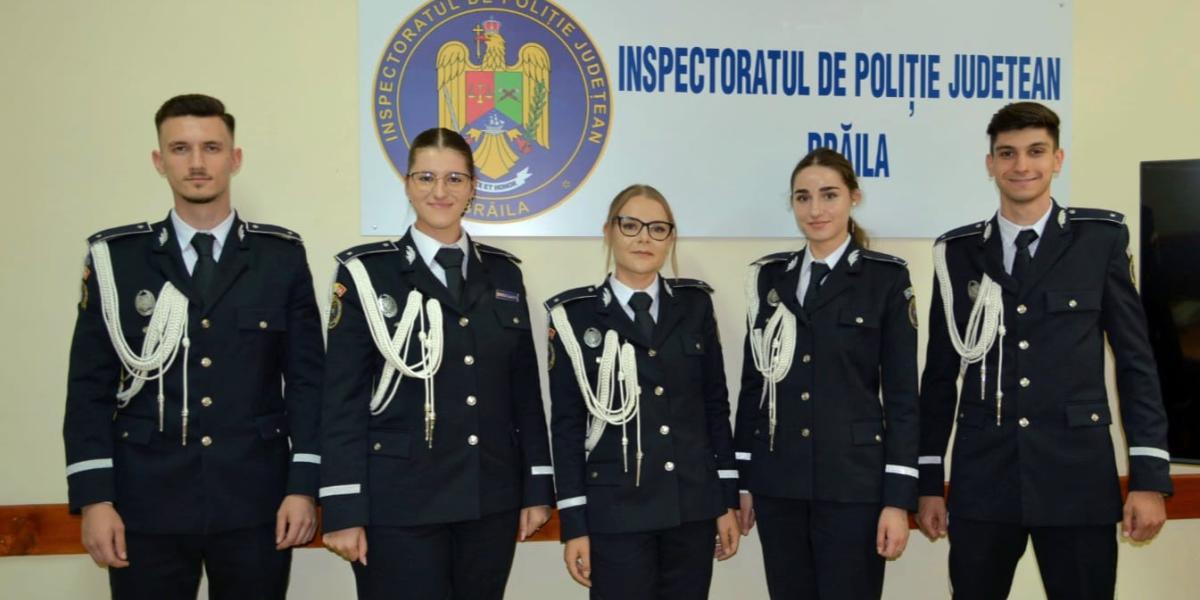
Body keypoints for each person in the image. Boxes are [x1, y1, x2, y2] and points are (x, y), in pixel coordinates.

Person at [63, 94, 324, 600]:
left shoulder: (280, 258)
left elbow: (308, 383)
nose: (197, 162)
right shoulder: (118, 261)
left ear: (235, 158)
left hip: (255, 503)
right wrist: (95, 499)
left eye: (212, 147)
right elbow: (88, 388)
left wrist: (302, 486)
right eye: (180, 148)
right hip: (144, 504)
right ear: (159, 161)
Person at [916, 101, 1172, 600]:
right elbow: (940, 376)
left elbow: (1136, 364)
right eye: (1007, 153)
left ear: (1058, 159)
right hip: (983, 482)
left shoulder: (1099, 240)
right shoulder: (958, 253)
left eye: (1036, 151)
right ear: (990, 163)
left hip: (1077, 479)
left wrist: (1149, 479)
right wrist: (928, 481)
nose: (1021, 165)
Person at [319, 127, 553, 600]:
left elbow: (524, 393)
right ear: (407, 184)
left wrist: (537, 486)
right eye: (426, 177)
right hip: (398, 503)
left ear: (472, 188)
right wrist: (343, 505)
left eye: (454, 179)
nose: (439, 191)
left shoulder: (503, 273)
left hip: (488, 498)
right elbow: (342, 398)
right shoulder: (367, 273)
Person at [733, 148, 918, 600]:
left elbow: (902, 398)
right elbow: (754, 387)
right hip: (779, 483)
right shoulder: (768, 278)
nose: (815, 209)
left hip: (853, 485)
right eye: (803, 197)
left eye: (829, 195)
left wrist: (897, 499)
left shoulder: (885, 279)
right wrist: (744, 479)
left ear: (854, 197)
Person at [547, 184, 740, 599]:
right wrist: (574, 523)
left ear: (670, 238)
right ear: (608, 231)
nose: (644, 238)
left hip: (691, 508)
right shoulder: (574, 317)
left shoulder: (694, 306)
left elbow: (715, 407)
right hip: (616, 513)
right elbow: (566, 427)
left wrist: (725, 499)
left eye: (657, 228)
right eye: (630, 225)